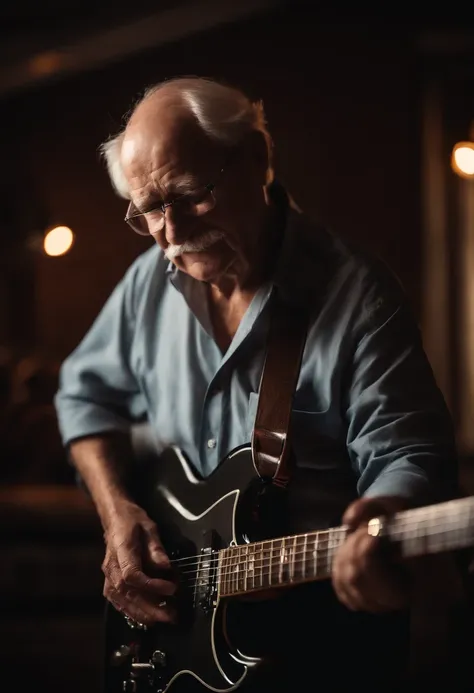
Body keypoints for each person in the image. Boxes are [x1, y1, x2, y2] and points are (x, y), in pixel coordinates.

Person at [54, 76, 461, 691]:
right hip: (178, 647)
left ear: (257, 160)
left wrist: (385, 516)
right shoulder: (145, 287)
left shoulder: (358, 296)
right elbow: (83, 397)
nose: (170, 230)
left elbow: (407, 452)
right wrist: (118, 514)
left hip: (321, 641)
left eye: (189, 195)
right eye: (149, 209)